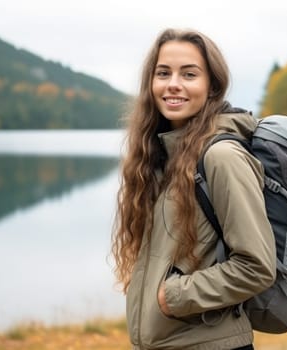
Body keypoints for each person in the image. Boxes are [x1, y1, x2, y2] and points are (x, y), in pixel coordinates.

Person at [111, 28, 276, 350]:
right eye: (163, 73)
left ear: (212, 86)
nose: (173, 84)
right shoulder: (159, 157)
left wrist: (171, 296)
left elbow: (257, 267)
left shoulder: (221, 156)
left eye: (189, 74)